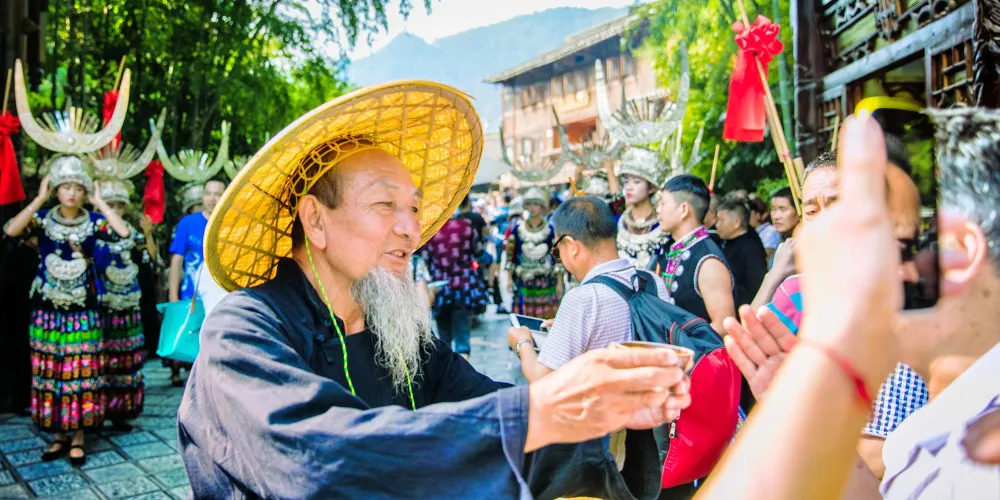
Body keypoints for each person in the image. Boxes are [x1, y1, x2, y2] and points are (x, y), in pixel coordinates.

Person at [178, 82, 690, 499]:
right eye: (385, 205)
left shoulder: (397, 334)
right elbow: (319, 459)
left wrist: (602, 409)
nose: (411, 229)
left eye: (415, 208)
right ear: (315, 219)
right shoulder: (243, 332)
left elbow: (491, 408)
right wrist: (543, 411)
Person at [707, 110, 1000, 499]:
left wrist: (823, 377)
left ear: (960, 252)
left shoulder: (983, 460)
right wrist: (806, 417)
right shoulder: (954, 416)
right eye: (812, 213)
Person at [3, 156, 131, 465]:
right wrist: (38, 198)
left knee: (81, 371)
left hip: (83, 310)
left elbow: (124, 233)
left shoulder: (93, 222)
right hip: (47, 311)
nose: (71, 193)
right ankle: (58, 434)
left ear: (85, 191)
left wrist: (100, 202)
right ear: (56, 190)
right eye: (65, 187)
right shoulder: (43, 220)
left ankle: (78, 436)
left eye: (78, 187)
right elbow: (11, 230)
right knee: (52, 371)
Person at [507, 196, 670, 383]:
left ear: (571, 246)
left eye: (557, 250)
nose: (559, 256)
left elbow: (542, 379)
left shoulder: (583, 298)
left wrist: (522, 342)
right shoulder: (652, 280)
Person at [93, 178, 155, 431]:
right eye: (110, 205)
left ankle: (122, 411)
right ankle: (95, 411)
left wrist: (148, 234)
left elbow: (151, 258)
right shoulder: (91, 230)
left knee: (125, 359)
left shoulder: (129, 231)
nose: (115, 210)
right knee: (101, 360)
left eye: (119, 205)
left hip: (128, 303)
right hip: (101, 304)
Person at [654, 174, 735, 334]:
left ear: (683, 209)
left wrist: (680, 342)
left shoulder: (708, 262)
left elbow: (724, 325)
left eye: (663, 203)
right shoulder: (673, 250)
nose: (658, 210)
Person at [166, 177, 225, 386]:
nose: (212, 198)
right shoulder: (187, 223)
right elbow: (177, 260)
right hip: (190, 295)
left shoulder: (229, 223)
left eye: (217, 194)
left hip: (220, 296)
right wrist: (173, 297)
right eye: (208, 193)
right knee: (191, 342)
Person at [422, 209, 487, 359]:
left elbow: (425, 258)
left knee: (444, 335)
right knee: (462, 333)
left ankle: (446, 367)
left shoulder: (430, 230)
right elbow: (478, 250)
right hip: (462, 286)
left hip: (439, 288)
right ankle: (463, 365)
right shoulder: (466, 226)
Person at [507, 187, 562, 319]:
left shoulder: (550, 230)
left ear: (542, 207)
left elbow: (557, 258)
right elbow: (511, 256)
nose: (532, 208)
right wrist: (509, 278)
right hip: (524, 280)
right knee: (525, 318)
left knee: (547, 318)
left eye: (536, 204)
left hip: (546, 281)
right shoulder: (517, 230)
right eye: (530, 204)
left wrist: (560, 282)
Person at [615, 147, 671, 269]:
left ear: (651, 187)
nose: (629, 187)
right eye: (626, 181)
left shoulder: (664, 225)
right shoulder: (618, 223)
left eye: (636, 182)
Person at [715, 200, 768, 308]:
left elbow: (757, 285)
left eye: (721, 220)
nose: (717, 225)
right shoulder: (727, 243)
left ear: (737, 222)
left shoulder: (750, 248)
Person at [748, 196, 780, 262]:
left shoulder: (770, 231)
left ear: (758, 215)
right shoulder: (755, 233)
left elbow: (768, 253)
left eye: (749, 215)